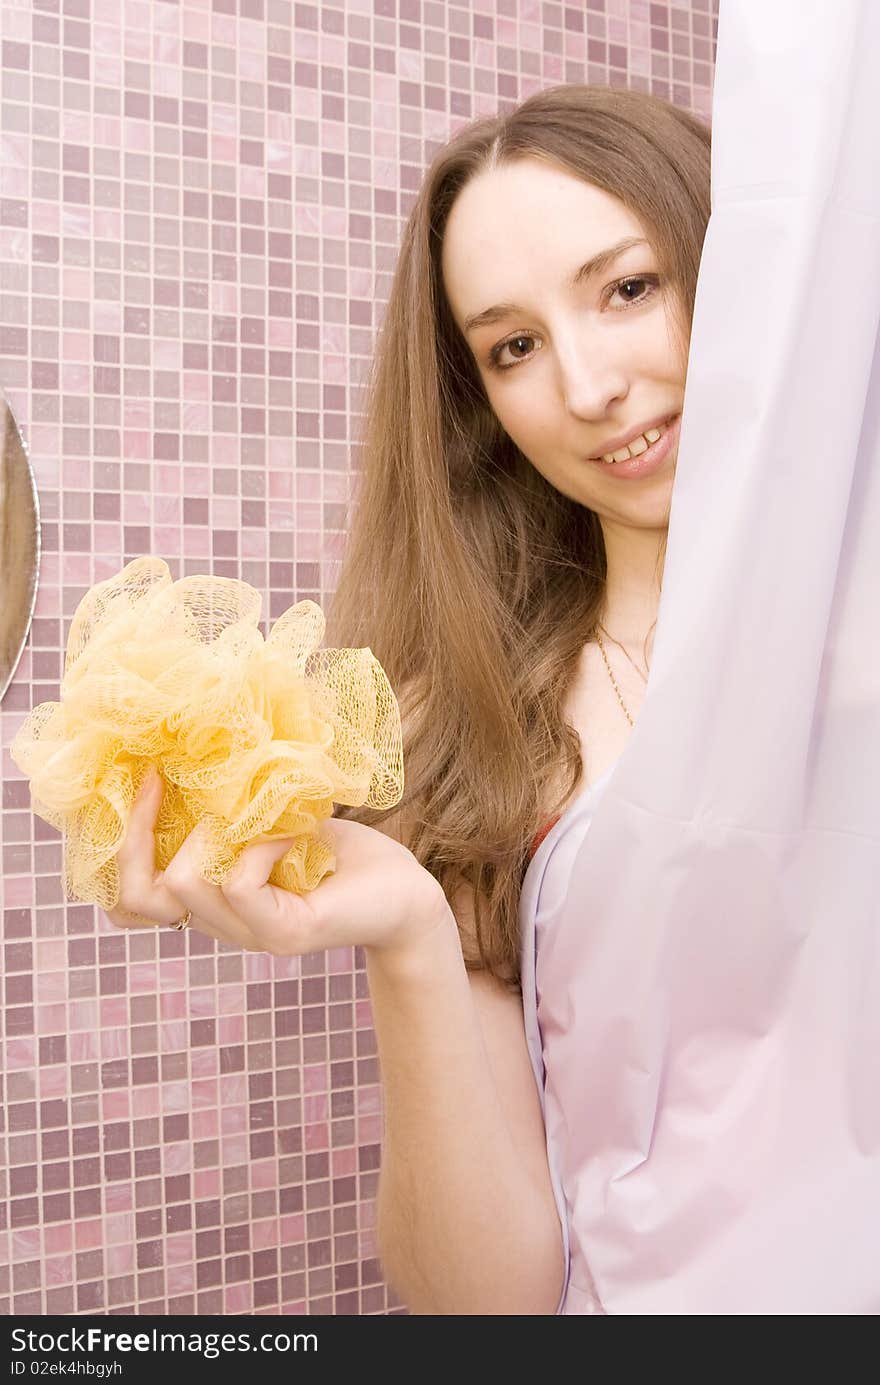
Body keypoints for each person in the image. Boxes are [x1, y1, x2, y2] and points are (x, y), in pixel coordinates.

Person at [106, 85, 711, 1314]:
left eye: (628, 287)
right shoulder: (486, 737)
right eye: (514, 346)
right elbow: (481, 1310)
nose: (588, 385)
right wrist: (413, 937)